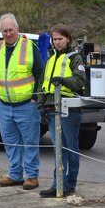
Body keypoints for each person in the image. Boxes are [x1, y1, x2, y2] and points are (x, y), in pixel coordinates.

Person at [0, 13, 44, 190]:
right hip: (4, 105)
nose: (7, 33)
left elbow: (39, 73)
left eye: (10, 30)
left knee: (29, 142)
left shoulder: (29, 46)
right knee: (10, 142)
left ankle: (32, 176)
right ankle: (15, 175)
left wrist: (36, 97)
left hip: (26, 104)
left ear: (17, 30)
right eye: (4, 31)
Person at [37, 24, 86, 198]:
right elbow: (43, 84)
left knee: (70, 148)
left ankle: (70, 184)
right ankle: (57, 183)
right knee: (58, 149)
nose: (57, 42)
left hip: (68, 109)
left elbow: (80, 80)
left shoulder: (75, 58)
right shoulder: (50, 60)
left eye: (60, 39)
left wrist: (63, 81)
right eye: (55, 39)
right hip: (51, 109)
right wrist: (40, 106)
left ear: (68, 40)